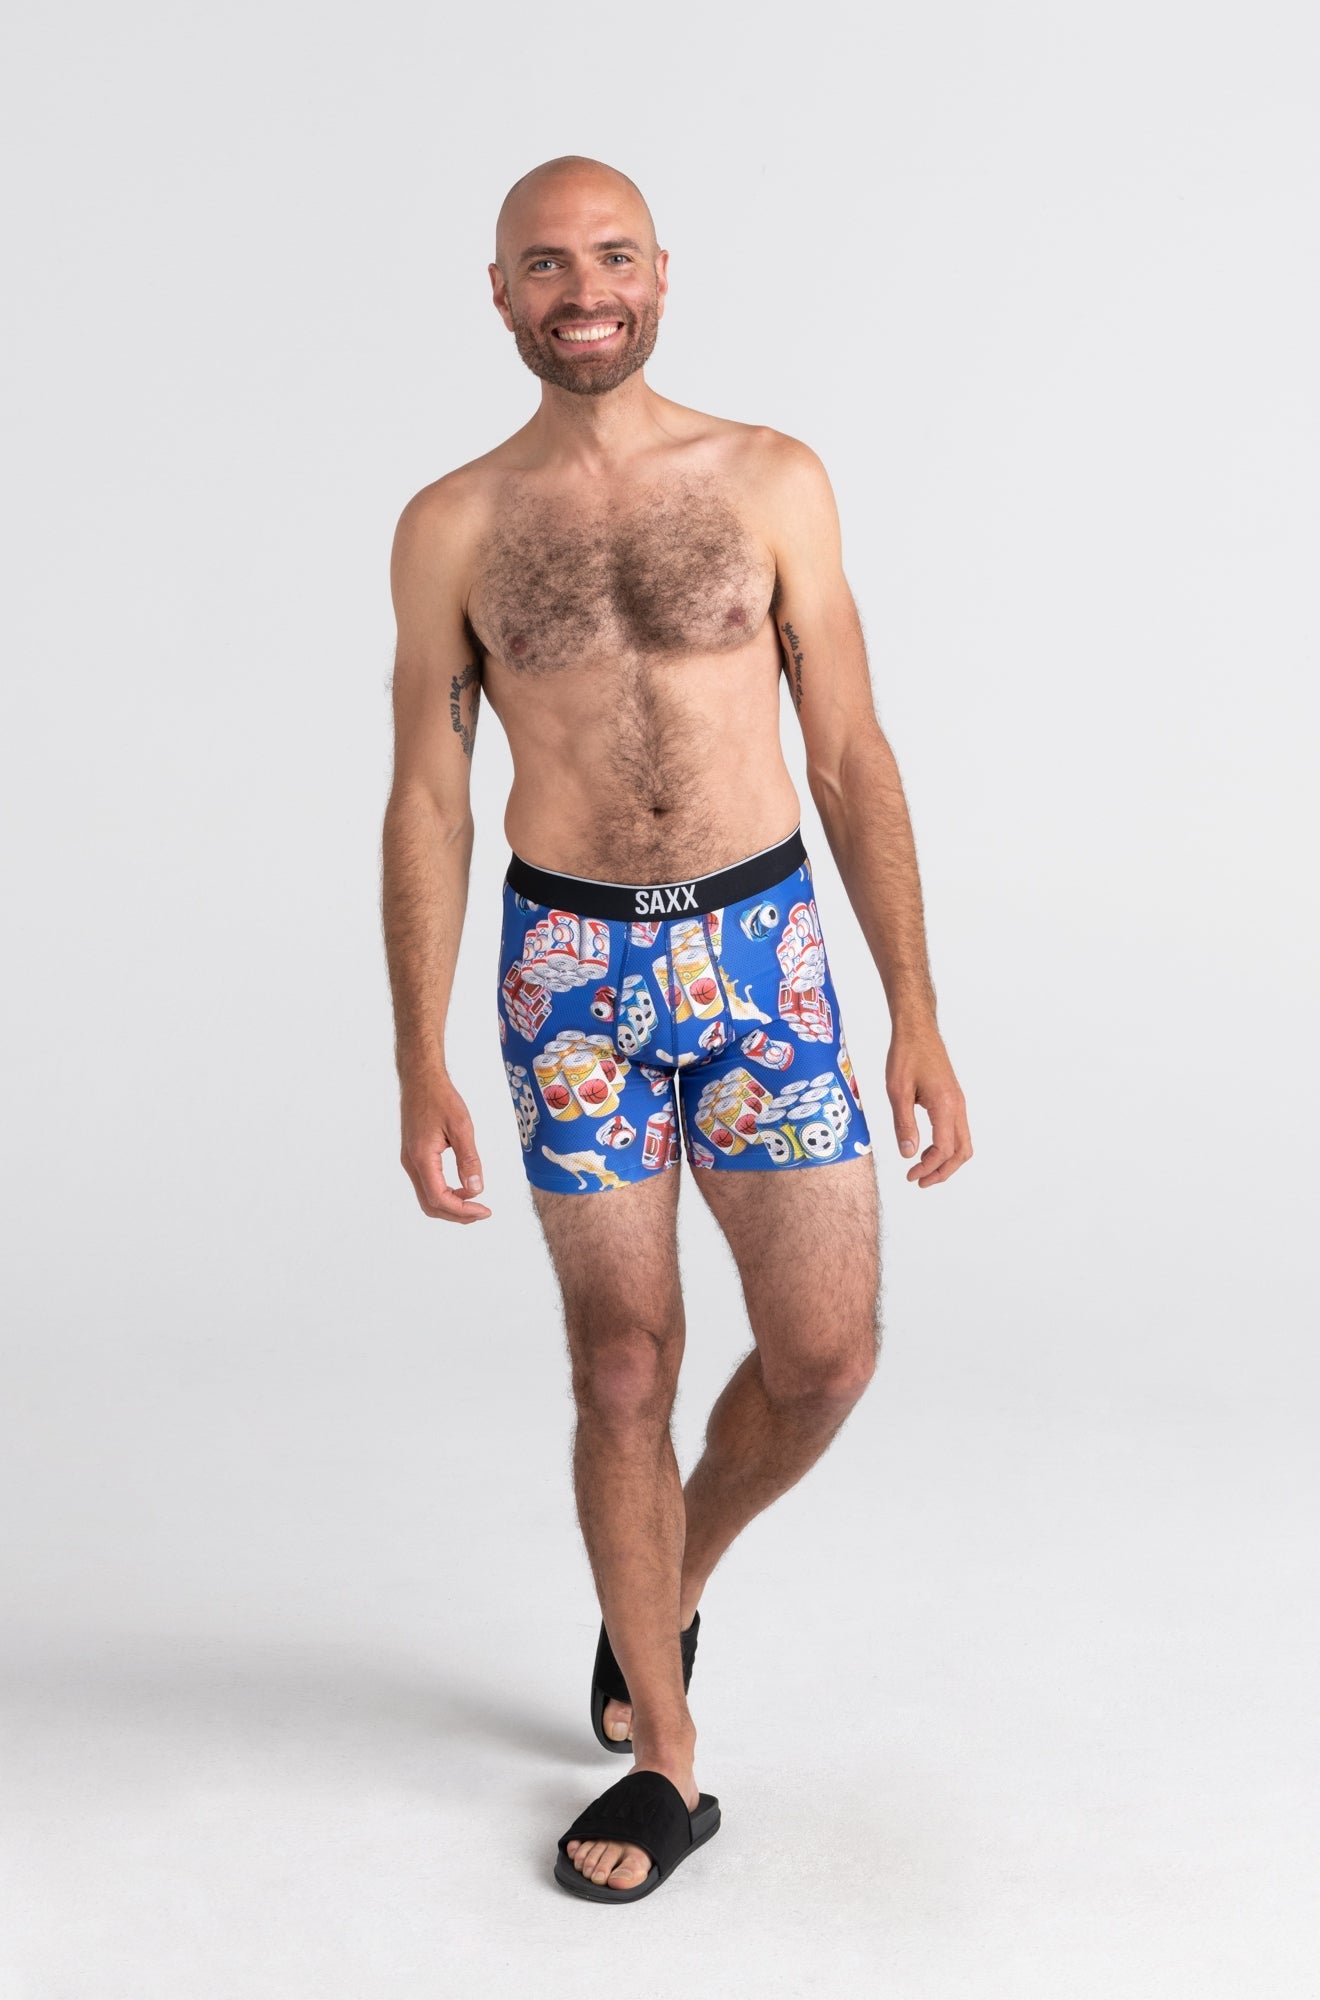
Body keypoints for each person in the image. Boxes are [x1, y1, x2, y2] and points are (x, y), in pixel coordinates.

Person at [380, 154, 973, 1903]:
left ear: (660, 273)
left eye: (613, 256)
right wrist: (417, 1053)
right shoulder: (454, 524)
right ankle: (668, 1759)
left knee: (825, 1359)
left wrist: (916, 1008)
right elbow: (428, 797)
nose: (584, 290)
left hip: (764, 958)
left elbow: (850, 752)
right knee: (624, 1366)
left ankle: (670, 1576)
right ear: (500, 293)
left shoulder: (771, 479)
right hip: (568, 978)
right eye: (545, 264)